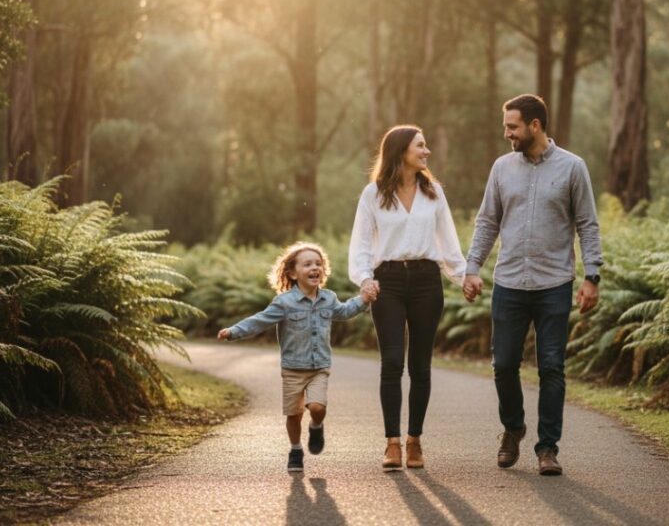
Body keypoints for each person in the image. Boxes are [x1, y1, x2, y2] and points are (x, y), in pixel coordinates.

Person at [463, 94, 603, 477]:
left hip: (554, 283)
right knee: (503, 364)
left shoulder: (573, 168)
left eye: (512, 127)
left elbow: (587, 224)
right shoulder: (502, 168)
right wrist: (472, 267)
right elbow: (487, 221)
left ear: (535, 125)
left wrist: (592, 276)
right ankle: (513, 427)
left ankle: (547, 448)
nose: (507, 133)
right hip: (509, 282)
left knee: (552, 367)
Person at [349, 125, 466, 471]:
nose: (426, 152)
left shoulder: (434, 193)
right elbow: (361, 245)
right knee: (392, 362)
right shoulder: (373, 194)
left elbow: (448, 241)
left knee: (420, 365)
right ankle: (392, 443)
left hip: (427, 280)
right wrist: (365, 279)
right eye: (420, 146)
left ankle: (415, 440)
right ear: (401, 151)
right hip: (388, 283)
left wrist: (463, 278)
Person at [217, 241, 373, 474]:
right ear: (292, 273)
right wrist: (234, 332)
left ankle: (316, 426)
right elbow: (259, 320)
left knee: (317, 406)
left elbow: (344, 311)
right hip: (292, 368)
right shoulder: (284, 302)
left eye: (318, 264)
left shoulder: (329, 299)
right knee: (293, 414)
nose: (315, 268)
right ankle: (296, 449)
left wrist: (363, 299)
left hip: (319, 366)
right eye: (307, 264)